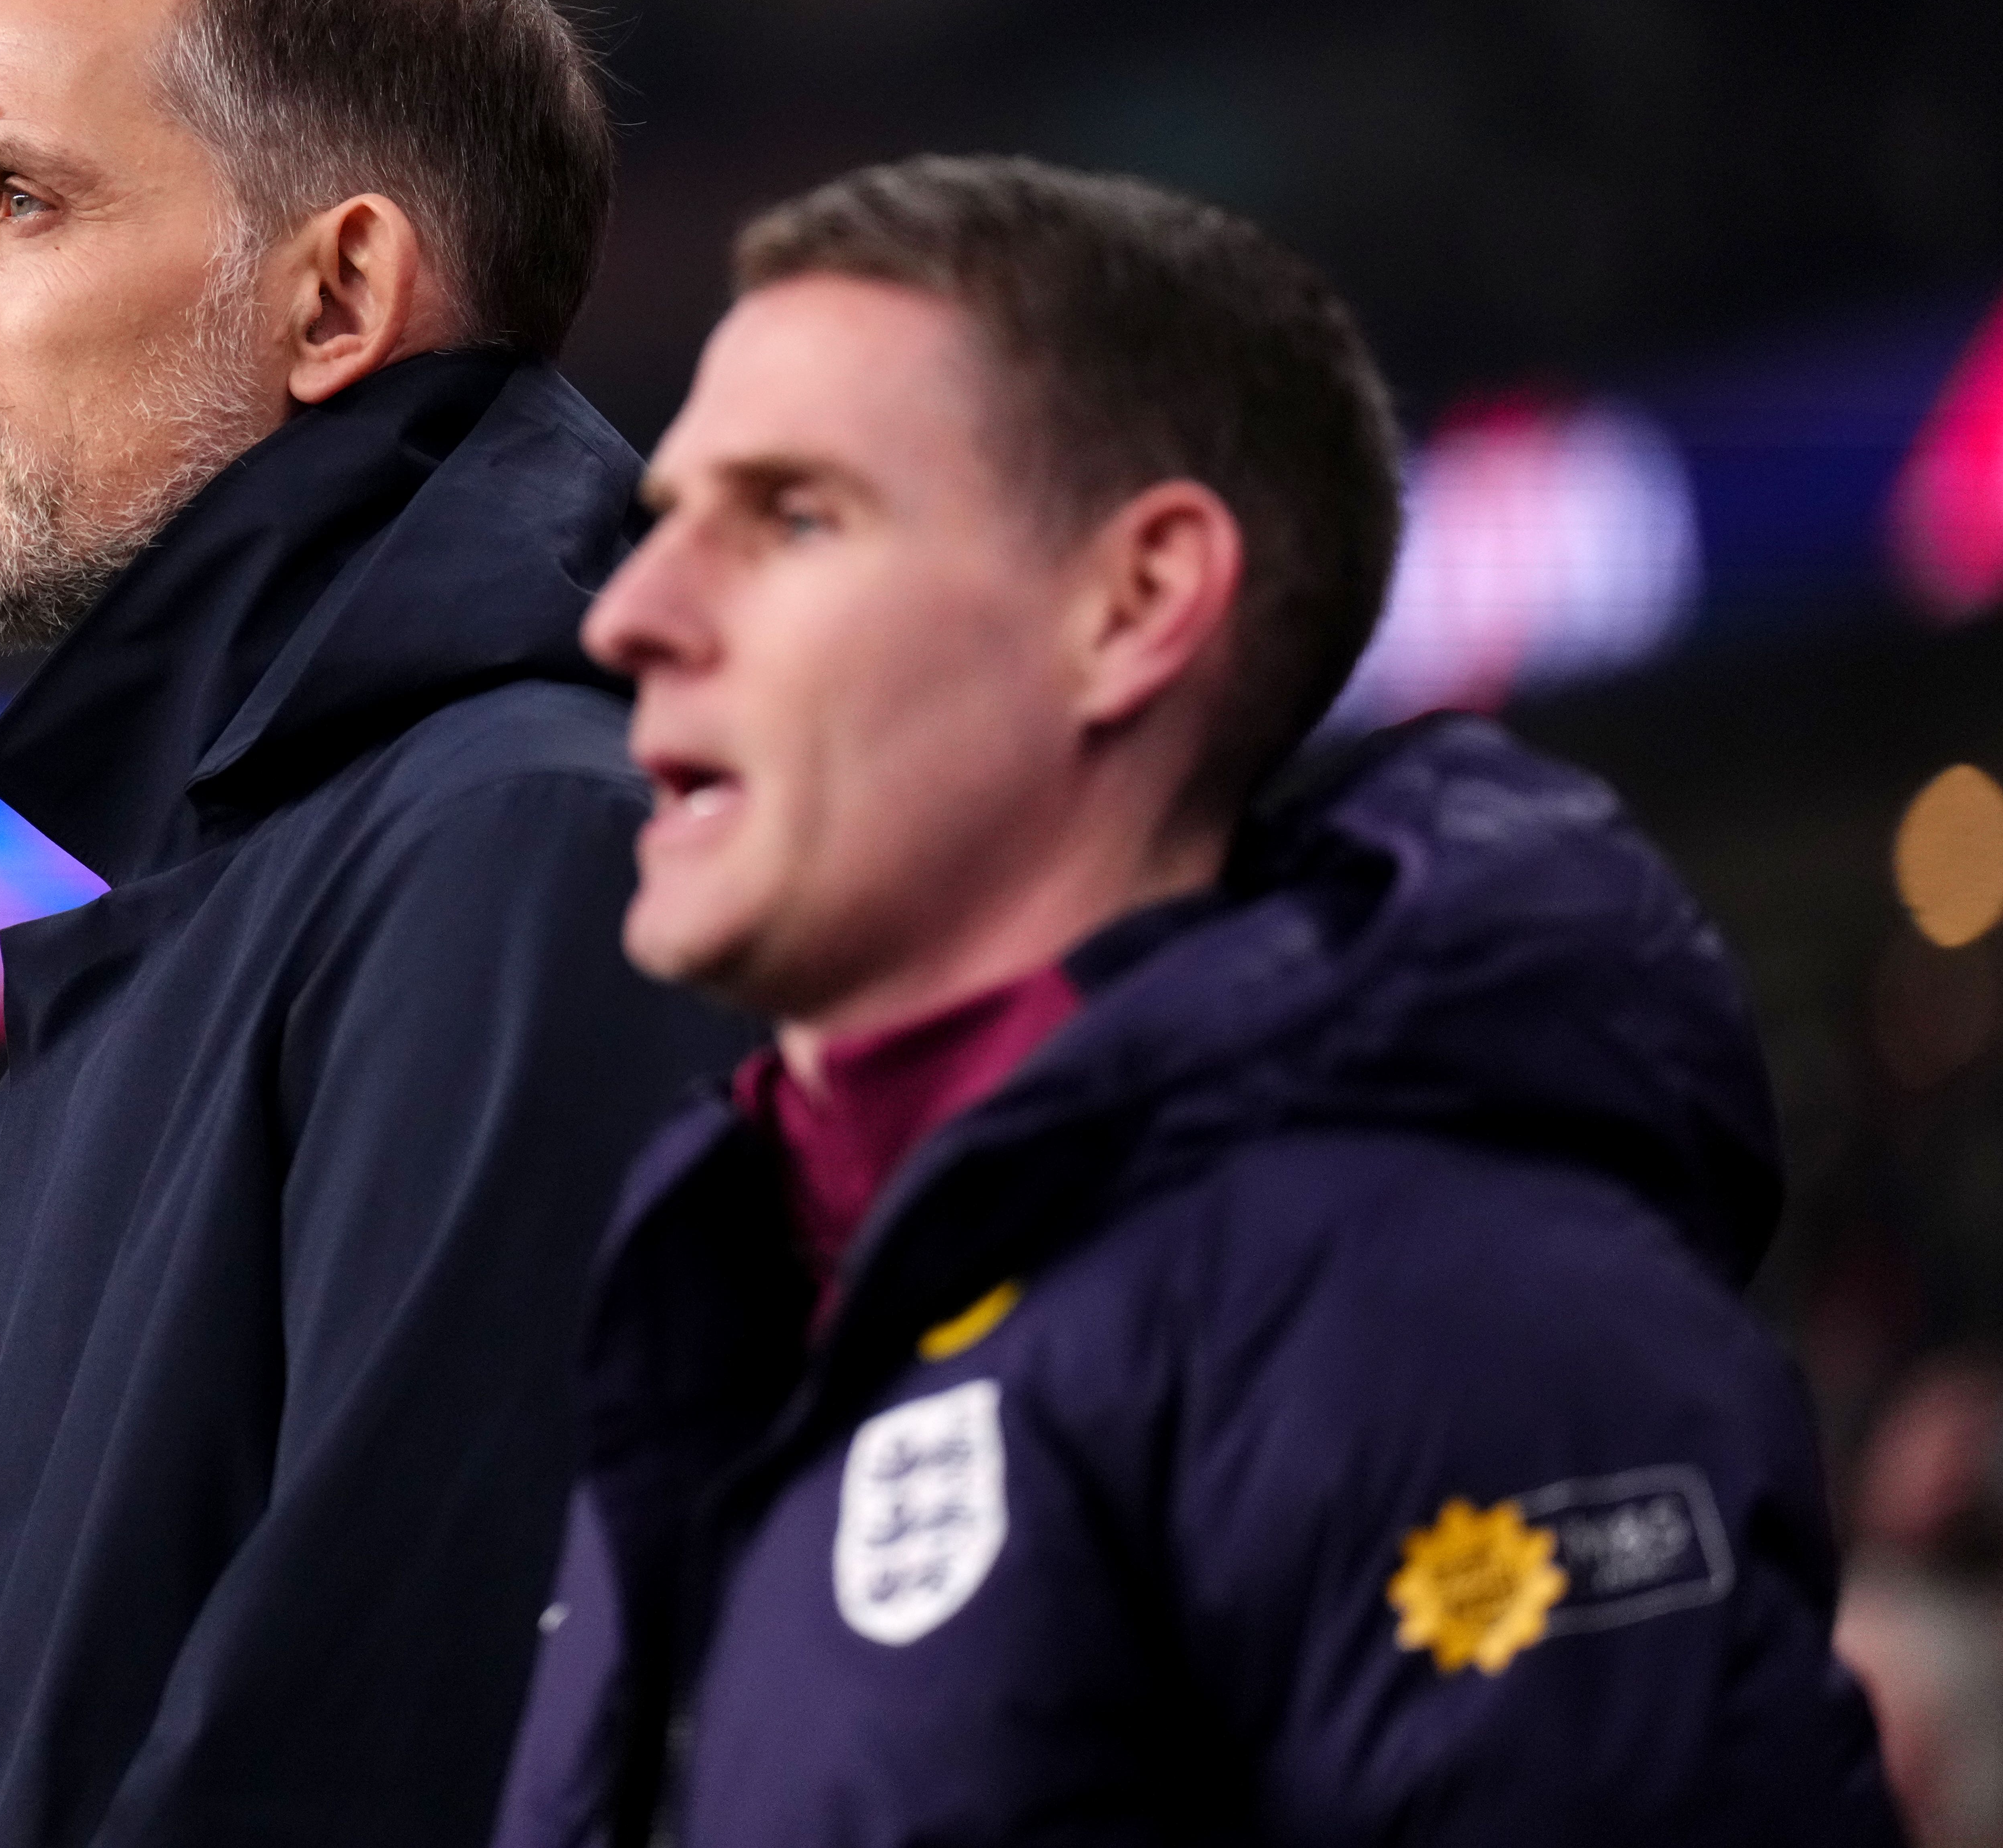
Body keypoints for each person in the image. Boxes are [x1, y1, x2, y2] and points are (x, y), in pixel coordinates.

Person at [490, 155, 1905, 1845]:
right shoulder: (730, 1292)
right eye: (659, 531)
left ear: (1136, 606)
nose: (637, 617)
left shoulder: (1439, 1313)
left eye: (793, 517)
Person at [0, 0, 751, 1848]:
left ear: (334, 296)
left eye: (16, 197)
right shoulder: (273, 879)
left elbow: (401, 1742)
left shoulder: (523, 842)